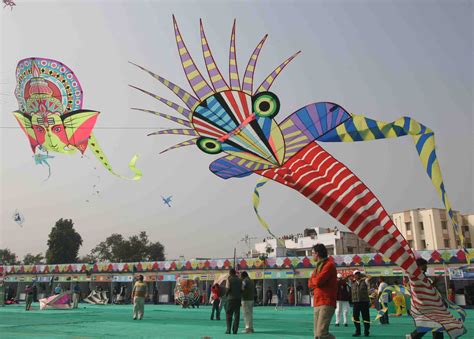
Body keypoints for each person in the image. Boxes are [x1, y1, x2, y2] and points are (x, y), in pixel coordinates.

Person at [408, 258, 443, 339]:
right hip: (425, 305)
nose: (426, 267)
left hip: (428, 304)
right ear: (420, 266)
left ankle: (413, 336)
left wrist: (434, 283)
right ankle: (413, 336)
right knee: (432, 324)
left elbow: (427, 287)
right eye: (425, 265)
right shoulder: (418, 276)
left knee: (433, 324)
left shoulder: (421, 276)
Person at [308, 243, 337, 339]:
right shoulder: (318, 267)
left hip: (326, 302)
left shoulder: (328, 265)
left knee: (321, 334)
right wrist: (314, 281)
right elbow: (310, 283)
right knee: (316, 335)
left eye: (312, 253)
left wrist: (314, 281)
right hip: (317, 302)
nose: (311, 255)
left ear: (317, 253)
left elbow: (318, 282)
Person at [351, 270, 372, 337]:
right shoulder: (352, 283)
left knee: (366, 317)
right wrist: (350, 276)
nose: (357, 275)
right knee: (355, 317)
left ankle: (366, 331)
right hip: (355, 302)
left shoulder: (365, 281)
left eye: (358, 274)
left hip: (364, 302)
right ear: (354, 276)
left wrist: (364, 275)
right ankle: (358, 331)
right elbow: (343, 280)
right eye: (356, 274)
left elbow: (370, 277)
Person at [225, 268, 242, 334]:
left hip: (230, 299)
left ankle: (228, 329)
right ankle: (235, 330)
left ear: (230, 273)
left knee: (229, 314)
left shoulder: (229, 279)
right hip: (238, 299)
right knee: (237, 315)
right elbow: (242, 289)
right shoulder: (239, 280)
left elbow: (228, 289)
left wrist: (226, 295)